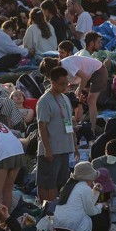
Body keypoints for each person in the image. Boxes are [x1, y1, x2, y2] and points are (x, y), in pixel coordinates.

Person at [36, 66, 75, 203]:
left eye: (67, 83)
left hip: (65, 147)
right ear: (52, 82)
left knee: (60, 182)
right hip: (51, 149)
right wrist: (47, 149)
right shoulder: (44, 101)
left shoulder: (64, 98)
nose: (65, 86)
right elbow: (42, 126)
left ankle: (55, 208)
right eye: (62, 84)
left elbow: (69, 123)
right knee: (48, 182)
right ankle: (47, 210)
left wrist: (74, 145)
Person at [54, 162, 110, 231]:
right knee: (102, 216)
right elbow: (91, 211)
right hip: (74, 228)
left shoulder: (69, 186)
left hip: (58, 226)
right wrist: (101, 205)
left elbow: (87, 204)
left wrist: (95, 191)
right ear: (88, 177)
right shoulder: (84, 188)